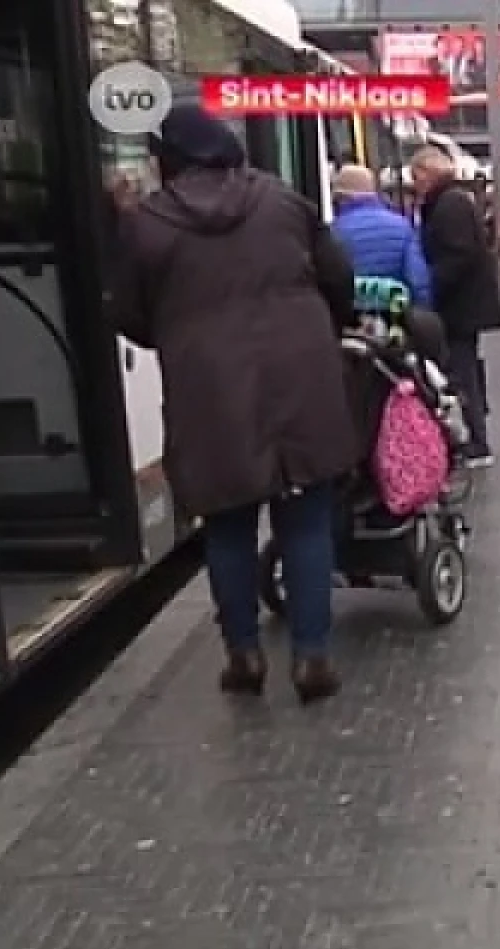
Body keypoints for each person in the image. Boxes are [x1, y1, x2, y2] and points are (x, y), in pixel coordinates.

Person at [109, 104, 360, 704]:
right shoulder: (282, 201)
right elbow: (339, 277)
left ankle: (244, 655)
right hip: (302, 381)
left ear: (169, 159)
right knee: (304, 523)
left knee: (227, 527)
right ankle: (313, 657)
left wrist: (178, 335)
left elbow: (125, 312)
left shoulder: (145, 225)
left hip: (209, 392)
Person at [410, 146, 500, 467]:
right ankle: (476, 435)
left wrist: (430, 283)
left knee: (462, 371)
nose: (414, 183)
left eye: (416, 175)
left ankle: (477, 441)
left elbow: (457, 255)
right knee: (465, 369)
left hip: (459, 305)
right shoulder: (454, 200)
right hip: (467, 303)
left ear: (429, 172)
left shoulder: (448, 205)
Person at [329, 164, 433, 309]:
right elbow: (417, 280)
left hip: (353, 317)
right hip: (395, 314)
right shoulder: (403, 227)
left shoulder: (334, 231)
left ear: (339, 199)